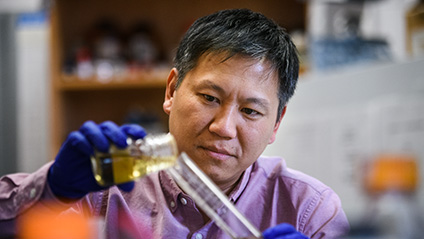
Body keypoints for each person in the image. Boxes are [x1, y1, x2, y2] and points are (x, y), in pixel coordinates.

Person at [0, 9, 349, 238]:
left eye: (251, 111)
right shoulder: (103, 184)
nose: (224, 127)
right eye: (210, 98)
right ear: (172, 90)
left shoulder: (309, 210)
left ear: (276, 123)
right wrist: (53, 191)